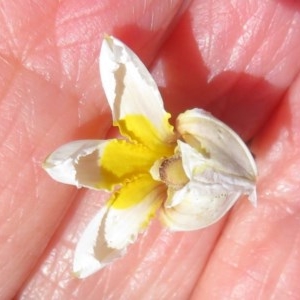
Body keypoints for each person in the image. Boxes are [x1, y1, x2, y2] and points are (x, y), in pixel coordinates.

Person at [1, 0, 299, 299]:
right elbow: (96, 240)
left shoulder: (162, 132)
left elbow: (122, 69)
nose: (164, 170)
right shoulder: (162, 189)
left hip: (179, 146)